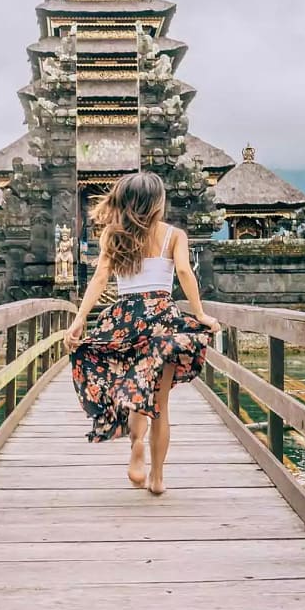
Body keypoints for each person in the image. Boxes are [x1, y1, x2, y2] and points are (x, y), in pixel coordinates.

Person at [63, 171, 221, 495]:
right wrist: (200, 313)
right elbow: (183, 272)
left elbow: (100, 278)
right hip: (161, 320)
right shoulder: (173, 235)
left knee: (136, 392)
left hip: (125, 319)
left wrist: (80, 318)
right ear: (157, 202)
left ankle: (137, 446)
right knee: (159, 402)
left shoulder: (114, 235)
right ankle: (158, 478)